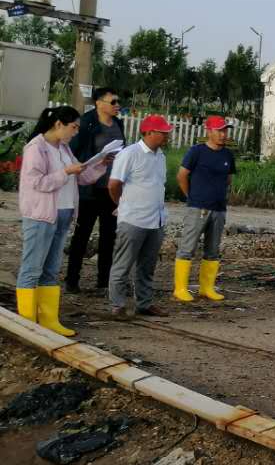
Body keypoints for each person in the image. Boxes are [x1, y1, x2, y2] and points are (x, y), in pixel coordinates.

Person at [18, 106, 113, 334]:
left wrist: (101, 164)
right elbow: (37, 182)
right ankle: (26, 324)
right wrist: (66, 172)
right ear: (58, 124)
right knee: (32, 268)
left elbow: (82, 177)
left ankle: (48, 320)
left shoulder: (63, 148)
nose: (76, 132)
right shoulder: (36, 148)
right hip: (41, 216)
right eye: (74, 127)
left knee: (51, 269)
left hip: (63, 214)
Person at [108, 115, 173, 319]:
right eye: (163, 132)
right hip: (133, 219)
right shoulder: (129, 154)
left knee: (147, 265)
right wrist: (122, 204)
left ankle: (144, 303)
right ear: (149, 132)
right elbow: (114, 184)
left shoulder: (160, 156)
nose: (167, 136)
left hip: (156, 219)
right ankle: (117, 305)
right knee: (123, 264)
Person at [65, 87, 125, 294]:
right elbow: (73, 153)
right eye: (113, 101)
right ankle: (72, 280)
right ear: (99, 103)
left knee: (109, 237)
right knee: (82, 235)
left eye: (118, 101)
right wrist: (94, 162)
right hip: (89, 189)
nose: (117, 105)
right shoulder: (86, 124)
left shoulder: (118, 124)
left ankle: (103, 282)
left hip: (111, 189)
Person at [173, 116, 237, 303]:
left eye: (225, 130)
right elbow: (181, 176)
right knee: (187, 248)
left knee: (213, 249)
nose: (223, 134)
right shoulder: (196, 152)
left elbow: (228, 179)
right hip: (198, 207)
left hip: (219, 208)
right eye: (219, 130)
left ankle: (207, 288)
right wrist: (191, 196)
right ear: (208, 131)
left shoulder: (228, 155)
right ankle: (180, 289)